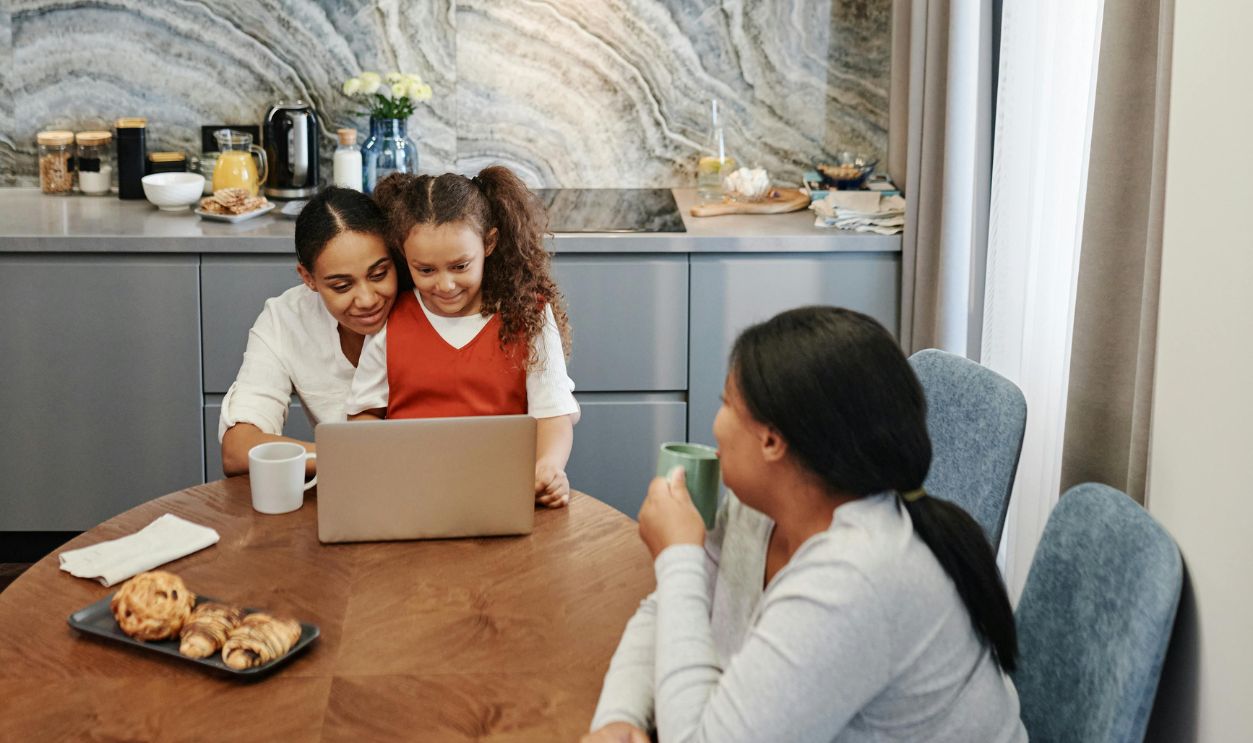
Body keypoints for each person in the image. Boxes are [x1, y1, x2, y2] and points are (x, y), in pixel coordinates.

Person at [585, 306, 1026, 743]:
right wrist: (620, 718)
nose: (715, 425)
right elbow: (671, 611)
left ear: (772, 441)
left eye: (725, 405)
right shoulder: (758, 510)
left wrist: (678, 555)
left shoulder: (852, 577)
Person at [347, 167, 579, 508]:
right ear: (403, 253)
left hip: (505, 494)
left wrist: (548, 467)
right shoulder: (392, 319)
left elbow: (553, 415)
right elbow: (364, 415)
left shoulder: (528, 315)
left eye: (460, 266)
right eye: (425, 270)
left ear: (489, 243)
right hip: (410, 497)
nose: (444, 285)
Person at [219, 187, 402, 476]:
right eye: (341, 286)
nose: (367, 299)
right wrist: (351, 459)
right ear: (308, 278)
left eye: (379, 274)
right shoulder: (285, 320)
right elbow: (238, 449)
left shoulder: (429, 306)